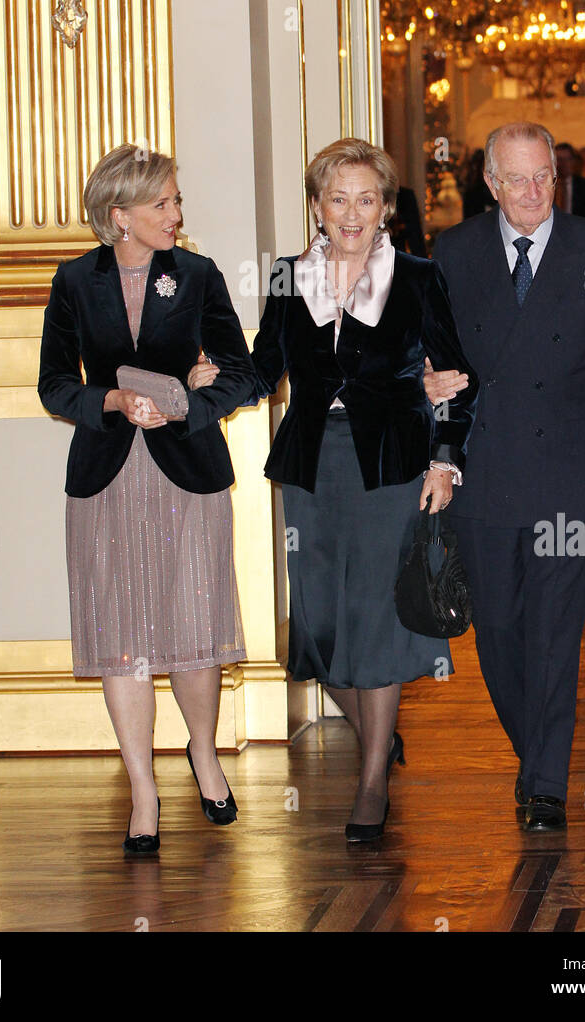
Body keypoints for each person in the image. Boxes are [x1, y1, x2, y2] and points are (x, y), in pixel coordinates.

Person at [191, 138, 477, 842]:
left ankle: (372, 775)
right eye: (338, 198)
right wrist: (207, 387)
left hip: (393, 467)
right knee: (319, 627)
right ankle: (378, 735)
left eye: (367, 198)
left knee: (379, 619)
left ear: (386, 207)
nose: (353, 213)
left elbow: (458, 378)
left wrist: (445, 462)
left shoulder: (416, 277)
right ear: (317, 207)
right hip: (314, 466)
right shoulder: (290, 277)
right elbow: (264, 370)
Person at [431, 122, 585, 831]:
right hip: (485, 473)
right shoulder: (455, 251)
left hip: (570, 471)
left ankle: (546, 786)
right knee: (497, 632)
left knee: (556, 632)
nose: (531, 192)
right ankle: (537, 758)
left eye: (543, 177)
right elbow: (431, 353)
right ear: (491, 184)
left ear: (555, 179)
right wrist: (429, 392)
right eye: (516, 179)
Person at [38, 144, 256, 856]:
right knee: (122, 639)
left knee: (194, 624)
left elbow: (243, 374)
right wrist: (109, 398)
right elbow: (54, 386)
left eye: (176, 200)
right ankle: (142, 788)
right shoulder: (73, 281)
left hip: (185, 471)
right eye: (161, 202)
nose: (176, 213)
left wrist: (193, 403)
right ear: (118, 215)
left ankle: (202, 752)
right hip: (106, 477)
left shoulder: (196, 275)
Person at [554, 141, 585, 221]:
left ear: (573, 161)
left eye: (567, 159)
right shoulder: (546, 185)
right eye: (559, 159)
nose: (563, 164)